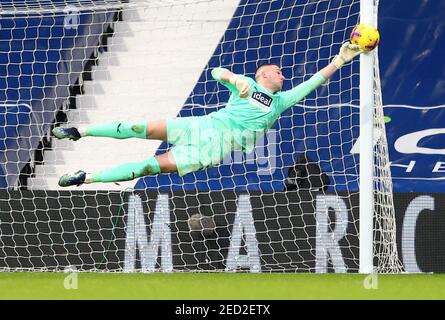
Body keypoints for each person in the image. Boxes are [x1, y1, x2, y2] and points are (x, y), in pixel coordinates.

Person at [53, 42, 363, 187]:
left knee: (147, 167)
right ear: (264, 75)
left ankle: (87, 177)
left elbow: (313, 82)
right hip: (199, 125)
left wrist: (340, 58)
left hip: (210, 148)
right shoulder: (248, 84)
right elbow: (216, 72)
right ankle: (80, 131)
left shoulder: (279, 101)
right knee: (137, 127)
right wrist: (231, 78)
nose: (283, 77)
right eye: (279, 72)